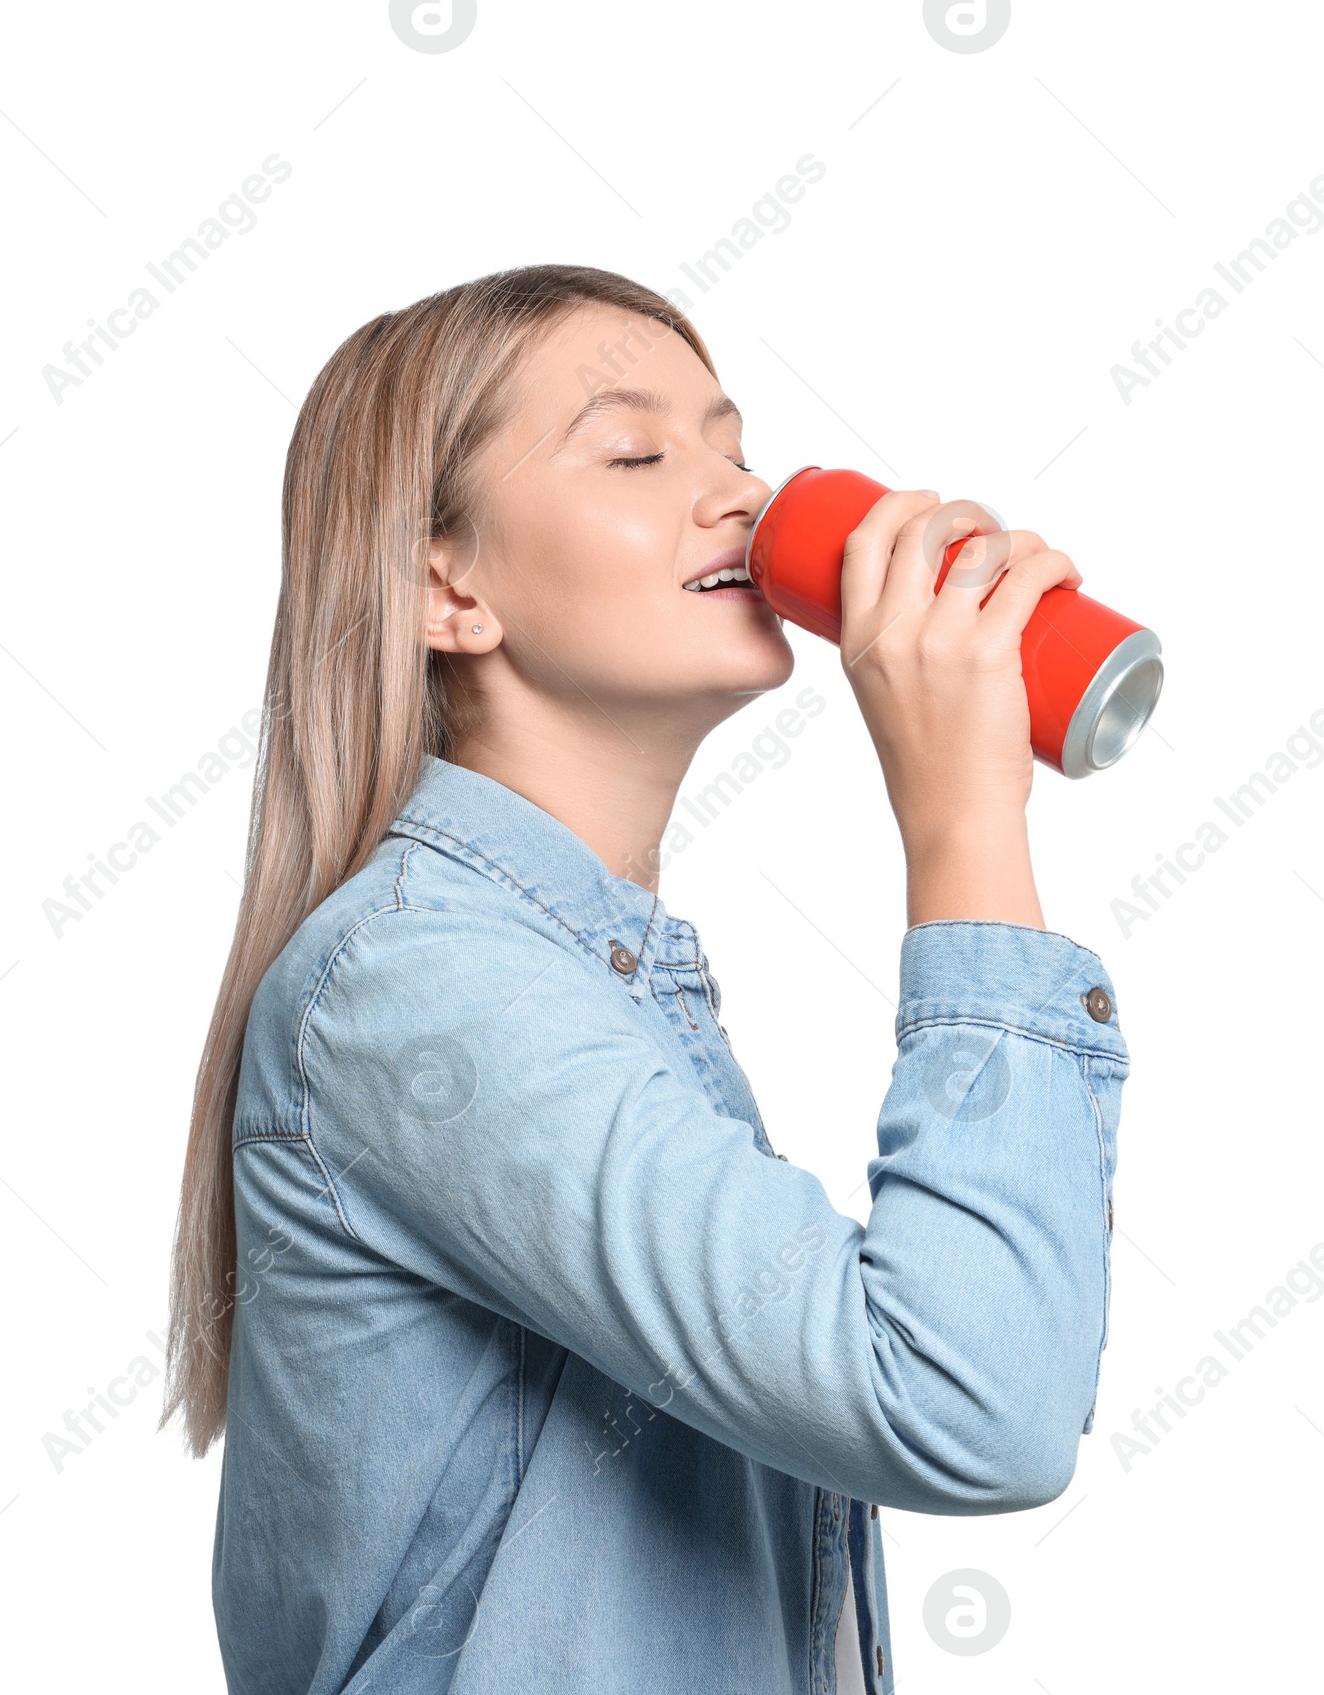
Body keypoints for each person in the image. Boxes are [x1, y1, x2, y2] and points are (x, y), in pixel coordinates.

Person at [162, 264, 1128, 1694]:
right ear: (448, 584)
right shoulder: (423, 987)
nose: (739, 492)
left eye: (734, 446)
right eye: (635, 451)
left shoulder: (593, 982)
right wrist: (963, 821)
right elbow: (969, 1400)